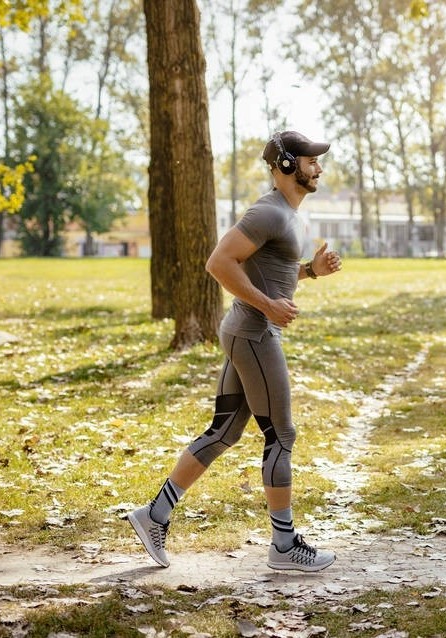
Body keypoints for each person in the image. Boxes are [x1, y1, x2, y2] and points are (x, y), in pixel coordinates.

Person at [127, 130, 343, 572]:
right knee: (281, 435)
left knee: (224, 431)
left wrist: (310, 271)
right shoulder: (268, 212)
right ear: (286, 165)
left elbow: (270, 271)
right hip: (255, 333)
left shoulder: (287, 215)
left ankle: (154, 515)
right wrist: (267, 306)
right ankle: (284, 545)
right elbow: (219, 262)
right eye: (310, 161)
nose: (318, 168)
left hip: (245, 330)